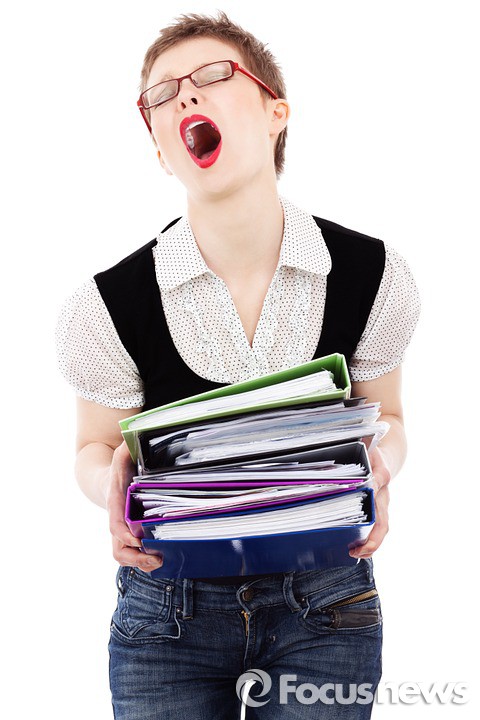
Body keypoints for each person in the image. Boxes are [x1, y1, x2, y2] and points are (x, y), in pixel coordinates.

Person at [56, 11, 420, 719]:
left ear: (276, 112)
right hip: (168, 612)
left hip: (328, 601)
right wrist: (110, 486)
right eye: (163, 93)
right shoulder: (104, 306)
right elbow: (93, 448)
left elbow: (392, 420)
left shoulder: (374, 274)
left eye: (214, 76)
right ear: (161, 149)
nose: (187, 95)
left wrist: (382, 465)